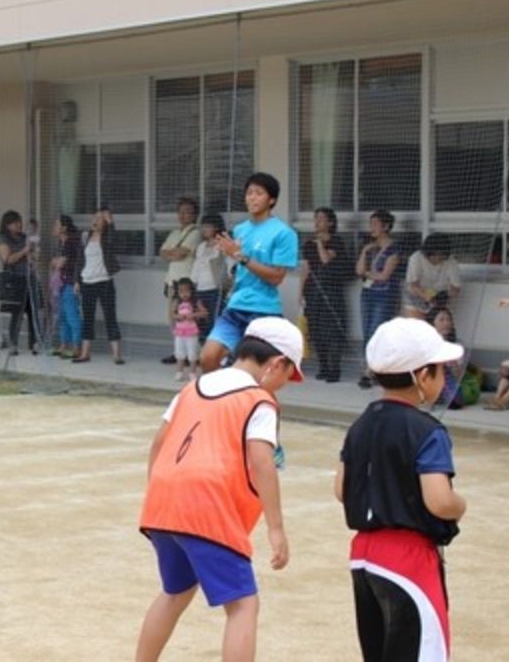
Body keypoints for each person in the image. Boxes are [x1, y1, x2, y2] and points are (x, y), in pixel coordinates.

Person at [136, 317, 303, 662]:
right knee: (243, 605)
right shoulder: (259, 401)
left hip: (163, 504)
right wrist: (276, 528)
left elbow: (158, 444)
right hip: (207, 508)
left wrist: (158, 494)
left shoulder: (191, 387)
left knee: (174, 592)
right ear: (275, 364)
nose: (284, 385)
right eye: (288, 375)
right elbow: (261, 463)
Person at [335, 317, 466, 662]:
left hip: (363, 556)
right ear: (423, 376)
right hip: (408, 560)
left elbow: (340, 487)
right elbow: (438, 501)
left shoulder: (360, 424)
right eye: (440, 370)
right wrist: (459, 505)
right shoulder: (427, 430)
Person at [202, 173, 299, 373]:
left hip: (264, 311)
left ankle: (250, 402)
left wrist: (240, 256)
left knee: (254, 371)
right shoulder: (239, 230)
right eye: (249, 193)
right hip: (236, 305)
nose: (252, 198)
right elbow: (238, 268)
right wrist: (229, 258)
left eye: (258, 193)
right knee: (208, 358)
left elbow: (276, 277)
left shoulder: (284, 233)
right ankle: (222, 400)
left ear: (271, 199)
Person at [300, 207, 351, 383]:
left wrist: (320, 243)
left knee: (332, 330)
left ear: (330, 222)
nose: (317, 222)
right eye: (316, 218)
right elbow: (306, 268)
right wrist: (301, 292)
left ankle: (334, 369)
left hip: (331, 290)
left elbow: (326, 260)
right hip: (313, 290)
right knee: (316, 329)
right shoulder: (308, 244)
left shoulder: (336, 241)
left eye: (321, 219)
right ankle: (322, 367)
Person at [355, 210, 402, 389]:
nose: (372, 228)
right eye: (371, 223)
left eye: (375, 224)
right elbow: (359, 270)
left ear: (386, 226)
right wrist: (365, 251)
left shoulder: (394, 249)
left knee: (377, 330)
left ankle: (373, 370)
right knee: (367, 330)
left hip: (384, 295)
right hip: (368, 294)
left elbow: (384, 276)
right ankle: (368, 367)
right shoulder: (371, 248)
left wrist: (369, 273)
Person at [73, 206, 124, 365]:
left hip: (104, 282)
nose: (96, 221)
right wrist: (77, 280)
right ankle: (85, 353)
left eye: (100, 219)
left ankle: (117, 355)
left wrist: (111, 224)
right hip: (87, 282)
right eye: (94, 218)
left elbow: (114, 242)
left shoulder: (107, 236)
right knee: (87, 318)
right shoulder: (85, 236)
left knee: (110, 317)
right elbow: (79, 260)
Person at [159, 198, 202, 364]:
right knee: (173, 317)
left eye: (187, 211)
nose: (183, 215)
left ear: (194, 215)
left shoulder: (196, 232)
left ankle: (193, 354)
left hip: (186, 283)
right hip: (171, 281)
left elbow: (181, 253)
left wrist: (172, 253)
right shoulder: (175, 233)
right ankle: (179, 353)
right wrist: (171, 253)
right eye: (180, 211)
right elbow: (163, 253)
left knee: (189, 318)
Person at [0, 210, 39, 356]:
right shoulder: (3, 239)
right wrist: (24, 251)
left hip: (29, 277)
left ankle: (34, 344)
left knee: (33, 312)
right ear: (7, 225)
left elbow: (31, 254)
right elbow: (7, 259)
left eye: (20, 221)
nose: (19, 225)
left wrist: (32, 254)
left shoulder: (24, 237)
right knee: (17, 313)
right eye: (15, 222)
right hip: (15, 280)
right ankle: (13, 344)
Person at [189, 214, 229, 342]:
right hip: (200, 289)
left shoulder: (222, 245)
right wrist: (193, 286)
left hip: (215, 289)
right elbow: (196, 267)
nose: (204, 229)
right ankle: (203, 352)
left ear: (216, 227)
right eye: (203, 226)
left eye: (207, 226)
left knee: (215, 320)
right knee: (201, 321)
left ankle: (215, 352)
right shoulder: (201, 246)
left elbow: (231, 265)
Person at [403, 233, 461, 319]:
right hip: (416, 295)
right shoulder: (416, 258)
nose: (438, 259)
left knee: (438, 325)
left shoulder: (451, 262)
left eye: (442, 256)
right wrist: (427, 297)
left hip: (439, 298)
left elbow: (456, 288)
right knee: (417, 326)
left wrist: (445, 296)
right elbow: (413, 285)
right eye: (435, 256)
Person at [51, 215, 82, 359]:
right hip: (61, 285)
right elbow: (55, 263)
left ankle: (77, 347)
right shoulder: (61, 243)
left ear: (64, 228)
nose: (54, 227)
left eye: (57, 224)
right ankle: (64, 345)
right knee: (63, 316)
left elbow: (59, 263)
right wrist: (55, 261)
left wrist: (55, 261)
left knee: (72, 316)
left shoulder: (70, 242)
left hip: (70, 283)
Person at [170, 278, 207, 383]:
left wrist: (193, 315)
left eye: (187, 291)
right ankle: (179, 372)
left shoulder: (195, 302)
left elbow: (204, 313)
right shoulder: (177, 301)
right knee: (179, 352)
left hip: (191, 332)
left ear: (192, 291)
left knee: (192, 353)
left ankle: (192, 372)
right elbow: (172, 314)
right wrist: (178, 316)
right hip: (180, 332)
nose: (184, 294)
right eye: (181, 291)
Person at [428, 307, 465, 410]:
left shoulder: (456, 345)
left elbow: (458, 376)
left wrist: (453, 362)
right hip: (428, 377)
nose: (446, 323)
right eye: (442, 320)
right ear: (433, 323)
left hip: (446, 379)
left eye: (448, 319)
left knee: (456, 402)